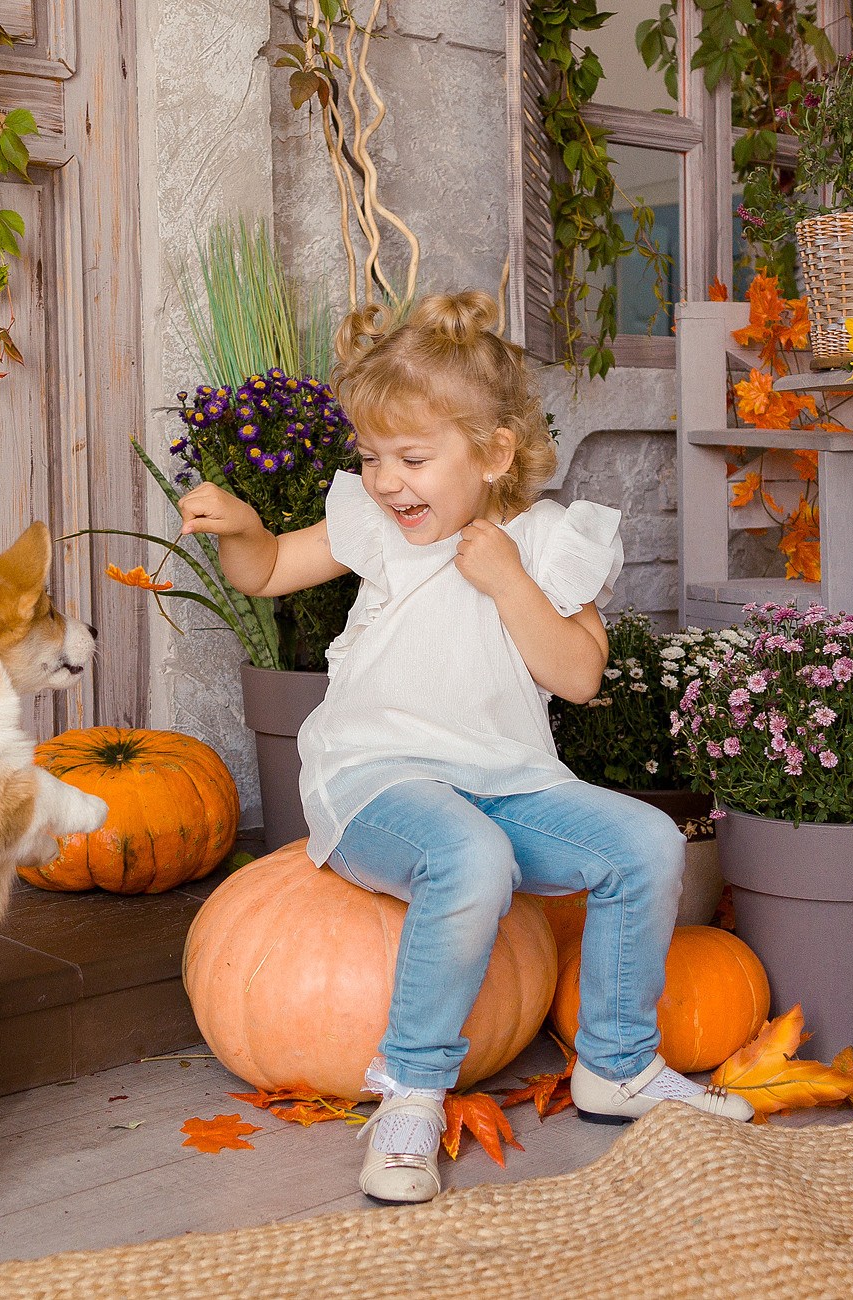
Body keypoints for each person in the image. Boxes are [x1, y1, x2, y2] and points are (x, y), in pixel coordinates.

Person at [177, 290, 753, 1205]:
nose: (386, 481)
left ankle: (618, 1065)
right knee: (469, 857)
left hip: (508, 782)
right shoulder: (378, 531)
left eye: (411, 458)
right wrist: (246, 530)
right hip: (377, 779)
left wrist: (512, 581)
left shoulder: (550, 542)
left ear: (492, 455)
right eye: (370, 459)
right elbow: (273, 570)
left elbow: (579, 677)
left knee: (643, 845)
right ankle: (411, 1090)